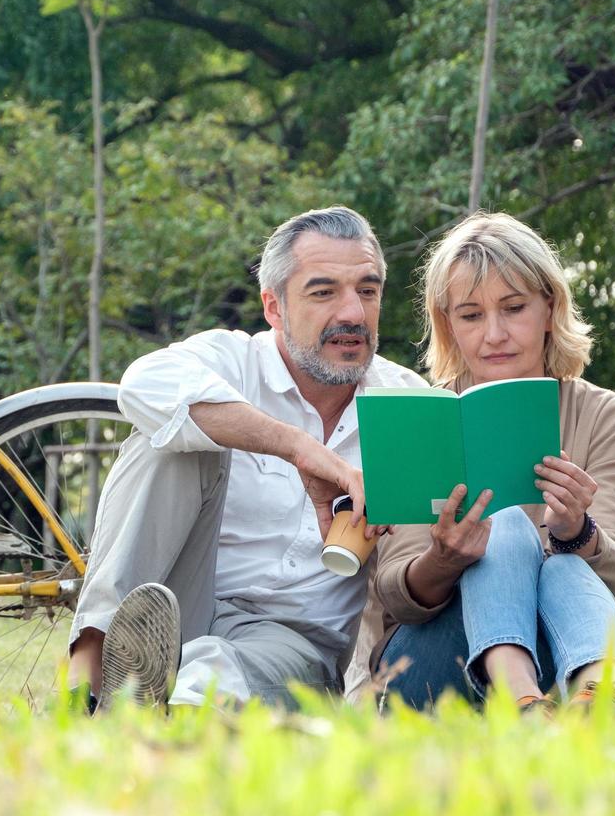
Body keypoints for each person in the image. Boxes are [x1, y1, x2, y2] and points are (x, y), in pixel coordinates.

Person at [70, 206, 426, 710]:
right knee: (170, 438)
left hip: (290, 641)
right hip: (171, 604)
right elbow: (142, 385)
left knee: (223, 677)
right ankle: (88, 672)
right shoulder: (231, 361)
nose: (352, 314)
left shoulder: (406, 404)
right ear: (274, 306)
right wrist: (303, 451)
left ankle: (163, 710)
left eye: (367, 291)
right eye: (324, 292)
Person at [347, 212, 615, 711]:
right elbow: (395, 593)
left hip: (576, 645)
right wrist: (445, 558)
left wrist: (575, 530)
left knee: (561, 569)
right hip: (439, 654)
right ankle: (530, 707)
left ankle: (593, 704)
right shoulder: (421, 418)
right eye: (471, 315)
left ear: (549, 307)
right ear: (448, 324)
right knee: (507, 527)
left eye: (513, 308)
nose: (494, 334)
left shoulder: (606, 416)